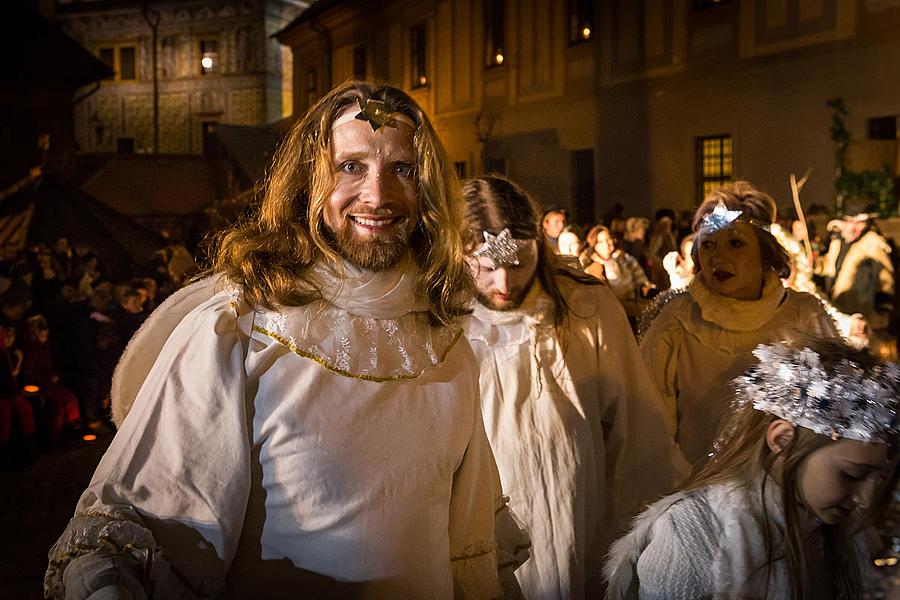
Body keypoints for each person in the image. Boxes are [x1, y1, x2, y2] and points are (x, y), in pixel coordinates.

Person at [47, 82, 510, 599]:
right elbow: (152, 524)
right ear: (309, 181)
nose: (378, 196)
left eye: (402, 169)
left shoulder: (444, 342)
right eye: (350, 167)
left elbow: (469, 544)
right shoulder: (238, 331)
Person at [461, 176, 688, 599]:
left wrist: (641, 538)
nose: (505, 285)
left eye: (517, 264)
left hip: (580, 518)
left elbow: (637, 430)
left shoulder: (586, 307)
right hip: (487, 532)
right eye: (487, 268)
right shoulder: (441, 324)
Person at [606, 337, 900, 599]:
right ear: (782, 440)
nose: (866, 499)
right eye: (852, 475)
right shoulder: (692, 534)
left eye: (880, 477)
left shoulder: (842, 533)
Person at [638, 182, 838, 464]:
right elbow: (649, 424)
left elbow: (831, 412)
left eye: (736, 243)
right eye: (708, 244)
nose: (718, 258)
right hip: (698, 490)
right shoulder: (677, 321)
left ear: (765, 252)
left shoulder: (804, 315)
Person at [817, 199, 894, 331]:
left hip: (862, 316)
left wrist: (884, 308)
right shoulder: (838, 241)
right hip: (840, 313)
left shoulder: (872, 242)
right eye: (851, 221)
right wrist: (816, 264)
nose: (856, 227)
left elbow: (886, 277)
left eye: (861, 223)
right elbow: (829, 266)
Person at [581, 224, 654, 320]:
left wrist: (649, 289)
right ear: (594, 245)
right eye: (601, 242)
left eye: (608, 239)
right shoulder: (593, 267)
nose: (607, 244)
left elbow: (641, 280)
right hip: (612, 313)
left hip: (634, 307)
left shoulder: (625, 258)